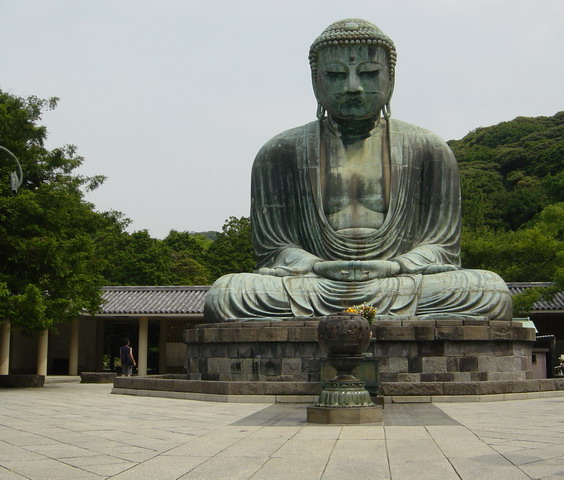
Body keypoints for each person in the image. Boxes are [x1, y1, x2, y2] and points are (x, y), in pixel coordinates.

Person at [204, 18, 512, 322]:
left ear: (390, 79)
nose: (353, 87)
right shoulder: (279, 152)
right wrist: (317, 266)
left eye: (368, 73)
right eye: (336, 75)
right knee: (228, 293)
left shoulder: (428, 148)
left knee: (488, 290)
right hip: (315, 282)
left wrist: (396, 266)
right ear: (316, 81)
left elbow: (441, 247)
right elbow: (275, 249)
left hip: (398, 281)